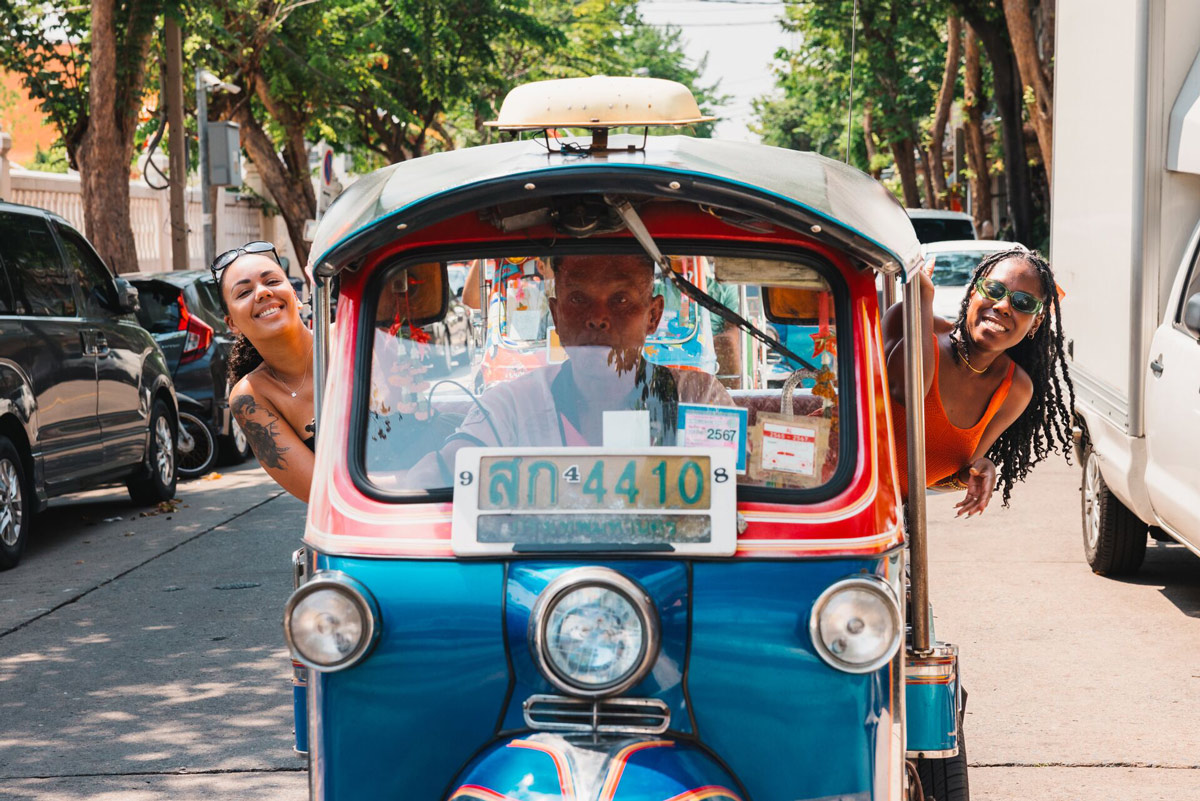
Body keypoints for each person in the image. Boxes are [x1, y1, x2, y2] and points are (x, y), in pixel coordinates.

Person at [409, 254, 732, 484]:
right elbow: (438, 472)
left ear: (653, 315)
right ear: (556, 314)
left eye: (620, 300)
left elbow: (738, 483)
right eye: (578, 299)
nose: (597, 318)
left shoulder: (698, 397)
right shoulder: (510, 406)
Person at [883, 247, 1074, 516]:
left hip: (881, 522)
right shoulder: (911, 320)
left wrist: (978, 471)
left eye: (1024, 303)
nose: (1003, 306)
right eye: (994, 290)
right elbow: (908, 390)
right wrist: (923, 298)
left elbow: (950, 477)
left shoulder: (1014, 389)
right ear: (973, 292)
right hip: (822, 484)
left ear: (1036, 322)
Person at [213, 241, 316, 503]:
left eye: (271, 281)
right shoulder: (251, 397)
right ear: (232, 324)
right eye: (244, 292)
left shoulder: (354, 338)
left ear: (294, 293)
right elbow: (321, 493)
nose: (262, 293)